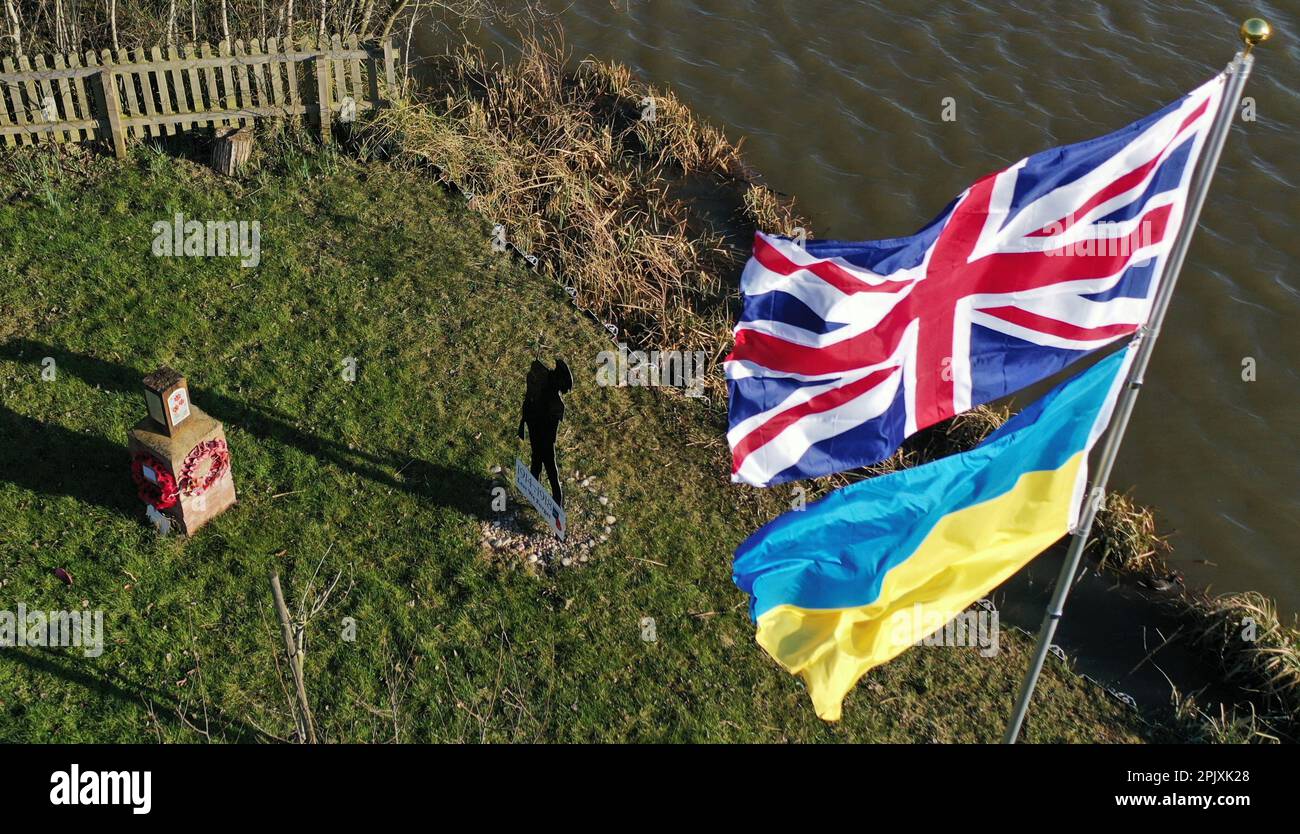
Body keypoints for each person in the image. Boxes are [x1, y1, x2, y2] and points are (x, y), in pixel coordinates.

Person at [519, 358, 571, 506]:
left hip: (545, 440)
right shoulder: (541, 385)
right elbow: (528, 403)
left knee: (550, 468)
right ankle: (534, 494)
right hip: (537, 431)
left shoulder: (557, 405)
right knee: (536, 462)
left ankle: (556, 501)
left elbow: (551, 433)